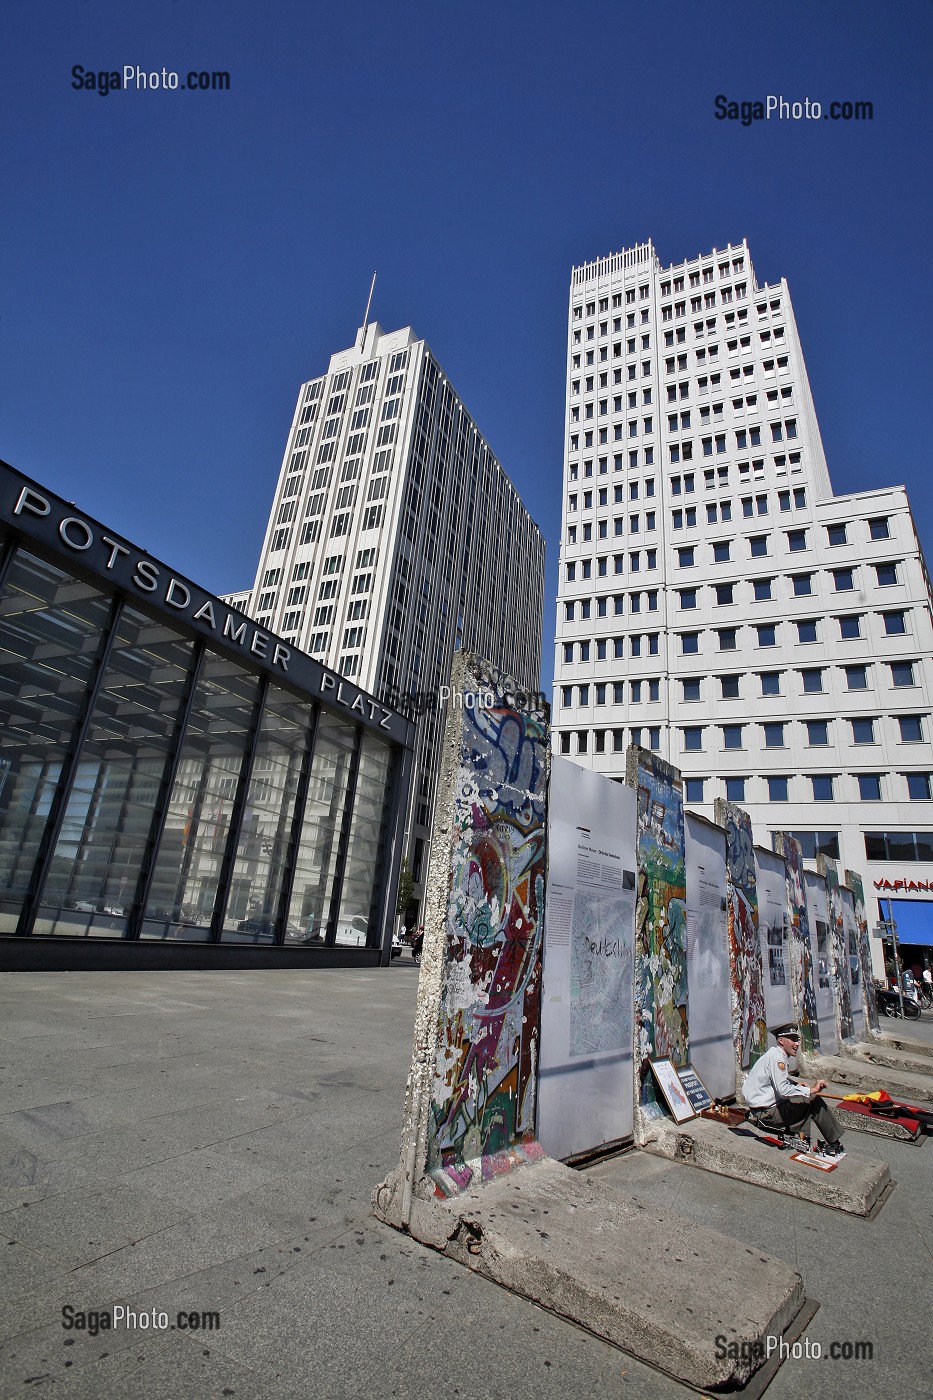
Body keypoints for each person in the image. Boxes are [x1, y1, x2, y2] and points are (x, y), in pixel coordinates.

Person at [742, 1024, 844, 1157]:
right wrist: (812, 1090)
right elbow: (783, 1091)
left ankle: (798, 1136)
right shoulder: (778, 1058)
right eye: (792, 1039)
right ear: (780, 1040)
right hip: (765, 1115)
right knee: (811, 1099)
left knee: (803, 1095)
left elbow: (778, 1082)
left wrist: (797, 1085)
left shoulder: (774, 1055)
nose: (796, 1044)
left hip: (762, 1111)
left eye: (797, 1040)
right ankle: (832, 1141)